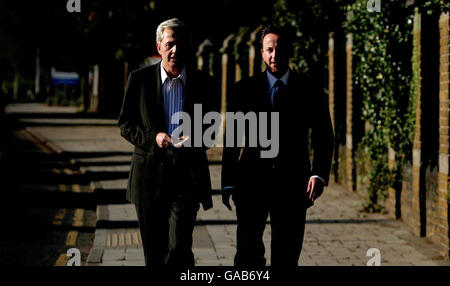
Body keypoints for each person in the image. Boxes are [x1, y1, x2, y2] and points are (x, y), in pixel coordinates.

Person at [221, 24, 334, 267]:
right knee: (247, 254)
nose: (275, 56)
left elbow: (324, 135)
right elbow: (232, 139)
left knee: (286, 255)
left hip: (293, 183)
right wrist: (228, 181)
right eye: (269, 50)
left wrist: (319, 173)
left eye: (279, 49)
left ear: (289, 50)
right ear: (262, 52)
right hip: (251, 182)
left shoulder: (309, 89)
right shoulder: (244, 90)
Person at [118, 18, 218, 267]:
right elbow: (126, 124)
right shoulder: (139, 79)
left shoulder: (205, 82)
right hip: (148, 178)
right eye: (170, 44)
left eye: (180, 44)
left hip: (187, 177)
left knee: (179, 250)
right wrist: (154, 138)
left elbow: (212, 129)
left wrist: (196, 138)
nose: (176, 50)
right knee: (154, 256)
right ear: (159, 46)